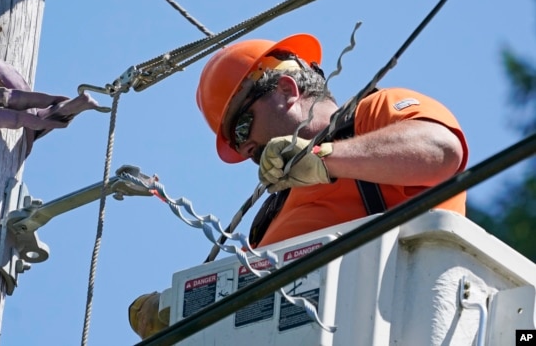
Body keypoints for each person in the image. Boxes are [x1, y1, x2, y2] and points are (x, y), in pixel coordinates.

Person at [128, 33, 468, 339]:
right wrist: (182, 309)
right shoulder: (269, 217)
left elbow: (441, 151)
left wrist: (324, 159)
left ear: (287, 91)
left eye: (242, 128)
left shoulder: (371, 116)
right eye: (235, 143)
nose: (245, 150)